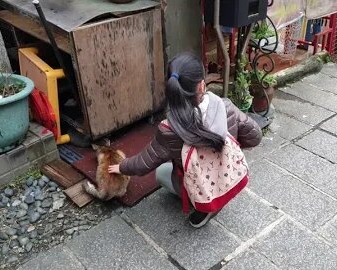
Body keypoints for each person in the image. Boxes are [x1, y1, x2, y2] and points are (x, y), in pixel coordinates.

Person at [108, 53, 262, 228]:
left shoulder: (169, 129)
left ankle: (203, 205)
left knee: (161, 173)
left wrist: (121, 166)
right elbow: (255, 136)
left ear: (173, 89)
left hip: (197, 184)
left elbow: (144, 163)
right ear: (202, 85)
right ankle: (217, 198)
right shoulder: (225, 107)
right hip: (227, 175)